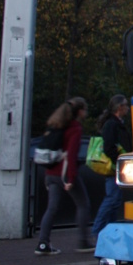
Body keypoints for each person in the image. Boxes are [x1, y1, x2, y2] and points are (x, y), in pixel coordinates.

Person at [36, 97, 92, 255]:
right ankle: (83, 242)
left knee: (52, 208)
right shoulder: (75, 128)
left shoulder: (55, 125)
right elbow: (72, 155)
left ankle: (43, 243)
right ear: (79, 111)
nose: (86, 113)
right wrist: (71, 179)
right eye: (85, 110)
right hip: (65, 174)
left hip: (51, 173)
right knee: (83, 204)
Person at [91, 94, 132, 240]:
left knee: (114, 200)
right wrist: (119, 162)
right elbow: (109, 146)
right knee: (112, 199)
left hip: (117, 166)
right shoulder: (112, 124)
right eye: (126, 105)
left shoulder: (114, 123)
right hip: (115, 167)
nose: (128, 108)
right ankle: (97, 230)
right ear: (120, 107)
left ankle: (110, 231)